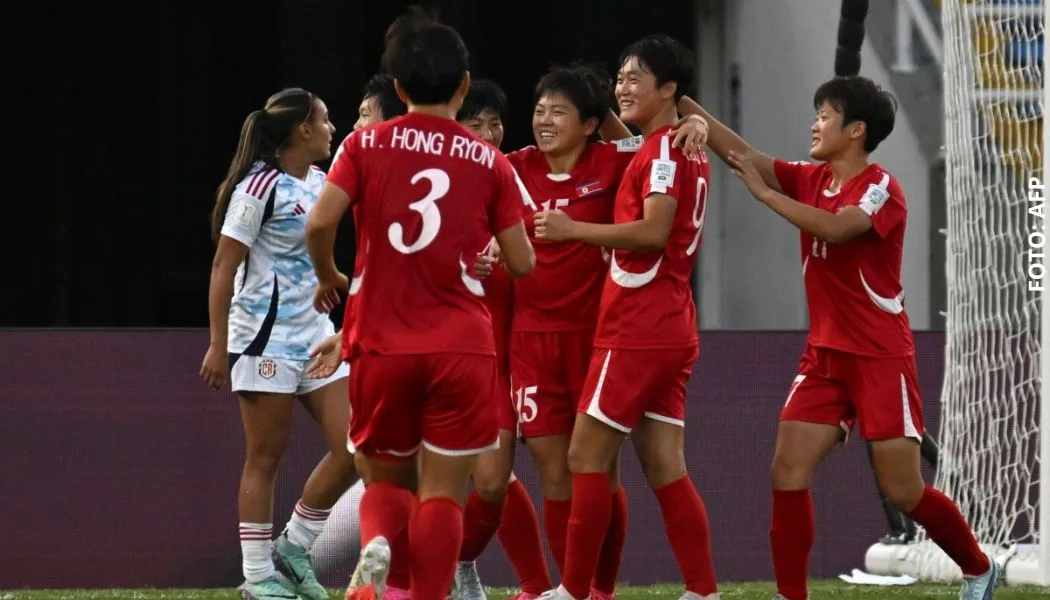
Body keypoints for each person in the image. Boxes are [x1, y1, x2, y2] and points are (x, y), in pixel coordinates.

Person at [683, 75, 1002, 599]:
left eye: (824, 115)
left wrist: (764, 196)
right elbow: (742, 154)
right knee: (787, 466)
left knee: (903, 488)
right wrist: (686, 108)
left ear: (855, 130)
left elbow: (837, 228)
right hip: (825, 355)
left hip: (880, 356)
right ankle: (792, 596)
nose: (813, 123)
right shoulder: (811, 179)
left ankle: (977, 568)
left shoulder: (882, 187)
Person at [305, 7, 536, 600]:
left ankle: (379, 544)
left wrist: (330, 274)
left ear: (399, 88)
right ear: (463, 86)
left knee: (385, 481)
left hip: (383, 342)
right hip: (461, 345)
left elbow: (320, 222)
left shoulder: (364, 144)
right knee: (442, 492)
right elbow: (523, 260)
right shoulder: (489, 160)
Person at [533, 35, 719, 600]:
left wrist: (574, 230)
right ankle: (703, 590)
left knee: (585, 456)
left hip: (637, 326)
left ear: (670, 90)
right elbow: (617, 129)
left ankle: (574, 590)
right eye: (620, 76)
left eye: (636, 77)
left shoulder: (662, 152)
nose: (623, 86)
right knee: (665, 464)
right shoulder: (675, 147)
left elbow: (653, 232)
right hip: (672, 322)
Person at [199, 87, 359, 600]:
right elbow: (225, 265)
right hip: (262, 337)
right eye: (327, 120)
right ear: (302, 130)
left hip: (315, 335)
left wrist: (328, 281)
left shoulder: (323, 182)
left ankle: (294, 546)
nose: (333, 129)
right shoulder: (258, 186)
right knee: (266, 456)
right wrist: (218, 344)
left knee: (356, 445)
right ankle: (257, 576)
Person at [452, 79, 554, 600]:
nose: (490, 134)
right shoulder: (435, 187)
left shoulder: (512, 172)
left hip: (508, 356)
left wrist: (686, 122)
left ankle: (465, 563)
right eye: (477, 124)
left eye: (496, 124)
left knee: (493, 483)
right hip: (449, 355)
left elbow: (620, 144)